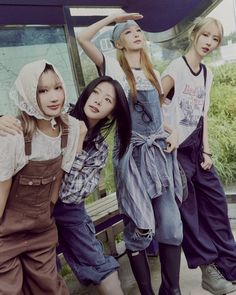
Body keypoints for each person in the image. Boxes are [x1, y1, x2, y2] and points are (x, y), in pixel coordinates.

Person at [77, 13, 184, 295]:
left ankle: (171, 289)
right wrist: (115, 18)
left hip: (159, 153)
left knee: (171, 224)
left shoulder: (154, 73)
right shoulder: (111, 67)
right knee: (140, 225)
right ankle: (146, 292)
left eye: (138, 30)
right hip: (131, 155)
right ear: (119, 44)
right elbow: (82, 37)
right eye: (128, 32)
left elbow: (159, 117)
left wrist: (172, 133)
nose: (136, 34)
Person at [0, 75, 132, 295]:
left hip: (68, 211)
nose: (98, 101)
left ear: (111, 113)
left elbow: (69, 194)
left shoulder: (98, 149)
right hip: (31, 208)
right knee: (40, 275)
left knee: (98, 263)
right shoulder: (55, 115)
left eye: (107, 100)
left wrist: (76, 145)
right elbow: (22, 123)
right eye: (96, 92)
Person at [161, 17, 236, 295]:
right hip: (177, 151)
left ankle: (230, 264)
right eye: (206, 35)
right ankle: (208, 271)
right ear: (194, 34)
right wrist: (169, 131)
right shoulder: (175, 69)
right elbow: (150, 106)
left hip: (197, 149)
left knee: (217, 206)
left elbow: (203, 115)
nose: (209, 42)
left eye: (215, 39)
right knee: (189, 213)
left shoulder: (207, 74)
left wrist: (206, 149)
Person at [0, 59, 81, 294]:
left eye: (57, 87)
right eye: (42, 91)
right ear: (28, 93)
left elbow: (57, 181)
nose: (54, 97)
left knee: (50, 289)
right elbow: (2, 191)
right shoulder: (13, 137)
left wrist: (46, 214)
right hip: (5, 235)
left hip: (41, 232)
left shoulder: (70, 130)